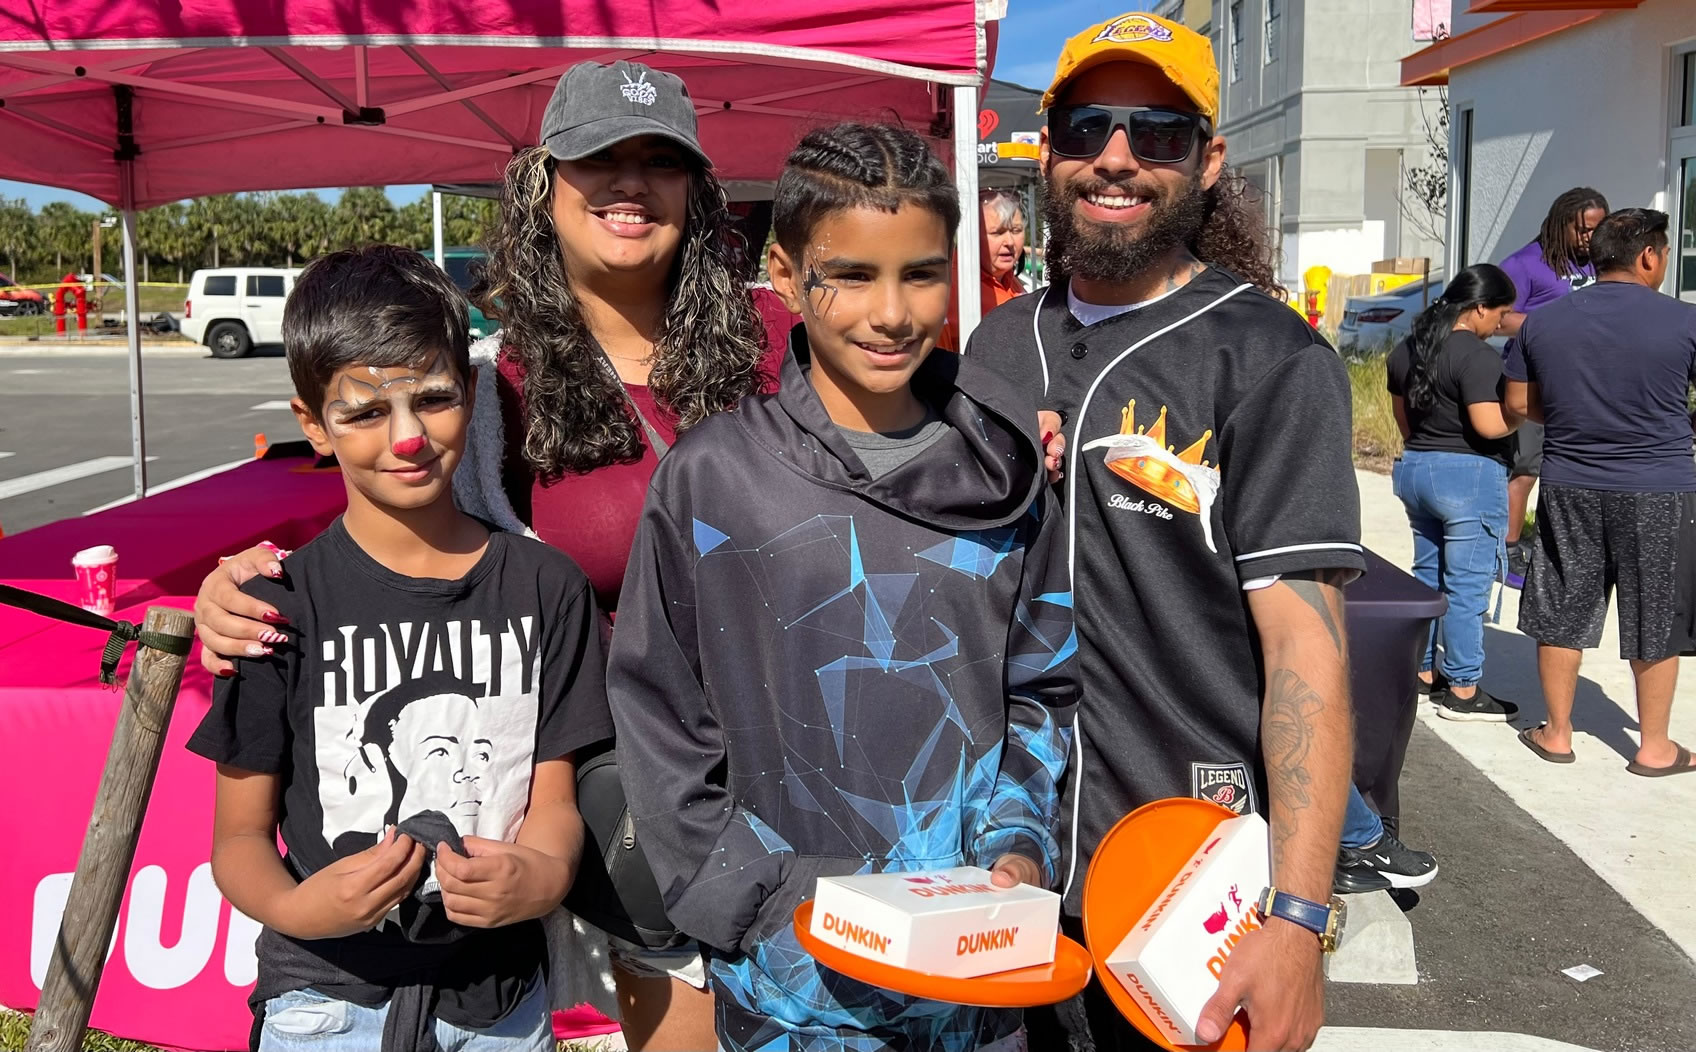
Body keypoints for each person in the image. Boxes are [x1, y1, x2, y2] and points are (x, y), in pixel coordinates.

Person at [193, 59, 790, 1052]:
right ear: (544, 185)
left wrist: (1020, 433)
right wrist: (244, 589)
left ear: (698, 186)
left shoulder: (786, 347)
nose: (630, 184)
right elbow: (411, 546)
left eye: (661, 160)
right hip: (633, 799)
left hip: (803, 757)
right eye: (599, 160)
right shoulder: (497, 389)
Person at [969, 12, 1434, 1047]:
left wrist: (1300, 918)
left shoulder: (1271, 359)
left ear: (1209, 160)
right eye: (1086, 127)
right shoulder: (995, 345)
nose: (1116, 157)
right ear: (1047, 150)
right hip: (997, 869)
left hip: (1177, 881)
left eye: (1159, 133)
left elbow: (1306, 644)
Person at [609, 122, 1075, 1051]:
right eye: (852, 275)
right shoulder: (714, 481)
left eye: (921, 274)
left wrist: (1018, 850)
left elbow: (1043, 689)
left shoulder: (1009, 473)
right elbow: (661, 721)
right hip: (790, 995)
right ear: (785, 275)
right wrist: (764, 902)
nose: (892, 313)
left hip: (977, 979)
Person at [187, 244, 611, 1051]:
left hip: (503, 1003)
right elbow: (238, 837)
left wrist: (543, 875)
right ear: (312, 423)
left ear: (472, 392)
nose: (408, 437)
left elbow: (553, 802)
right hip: (323, 997)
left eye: (434, 399)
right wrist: (296, 906)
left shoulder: (547, 586)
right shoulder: (274, 606)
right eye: (365, 412)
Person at [1505, 208, 1696, 775]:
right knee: (1654, 611)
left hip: (1571, 481)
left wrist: (1572, 418)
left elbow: (1516, 402)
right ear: (1649, 257)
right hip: (1659, 488)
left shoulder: (1544, 321)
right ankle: (1654, 746)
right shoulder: (1685, 321)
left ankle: (1557, 733)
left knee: (1562, 606)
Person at [1385, 264, 1525, 723]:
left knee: (1427, 576)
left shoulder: (1407, 349)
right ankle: (1464, 689)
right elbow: (1488, 425)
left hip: (1417, 470)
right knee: (1466, 586)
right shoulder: (1478, 357)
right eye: (1500, 314)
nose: (1500, 324)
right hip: (1469, 477)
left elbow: (1404, 422)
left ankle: (1423, 671)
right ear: (1479, 308)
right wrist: (1520, 412)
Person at [1496, 187, 1608, 590]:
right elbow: (1498, 318)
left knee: (1574, 469)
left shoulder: (1600, 262)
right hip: (1533, 381)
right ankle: (1507, 551)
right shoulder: (1525, 264)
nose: (1589, 238)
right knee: (1525, 468)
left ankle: (1561, 547)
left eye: (1597, 229)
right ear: (1561, 224)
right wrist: (1550, 324)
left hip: (1584, 383)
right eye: (1582, 229)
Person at [941, 188, 1030, 348]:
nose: (1010, 242)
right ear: (971, 236)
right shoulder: (948, 285)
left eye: (1016, 231)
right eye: (998, 233)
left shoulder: (1010, 280)